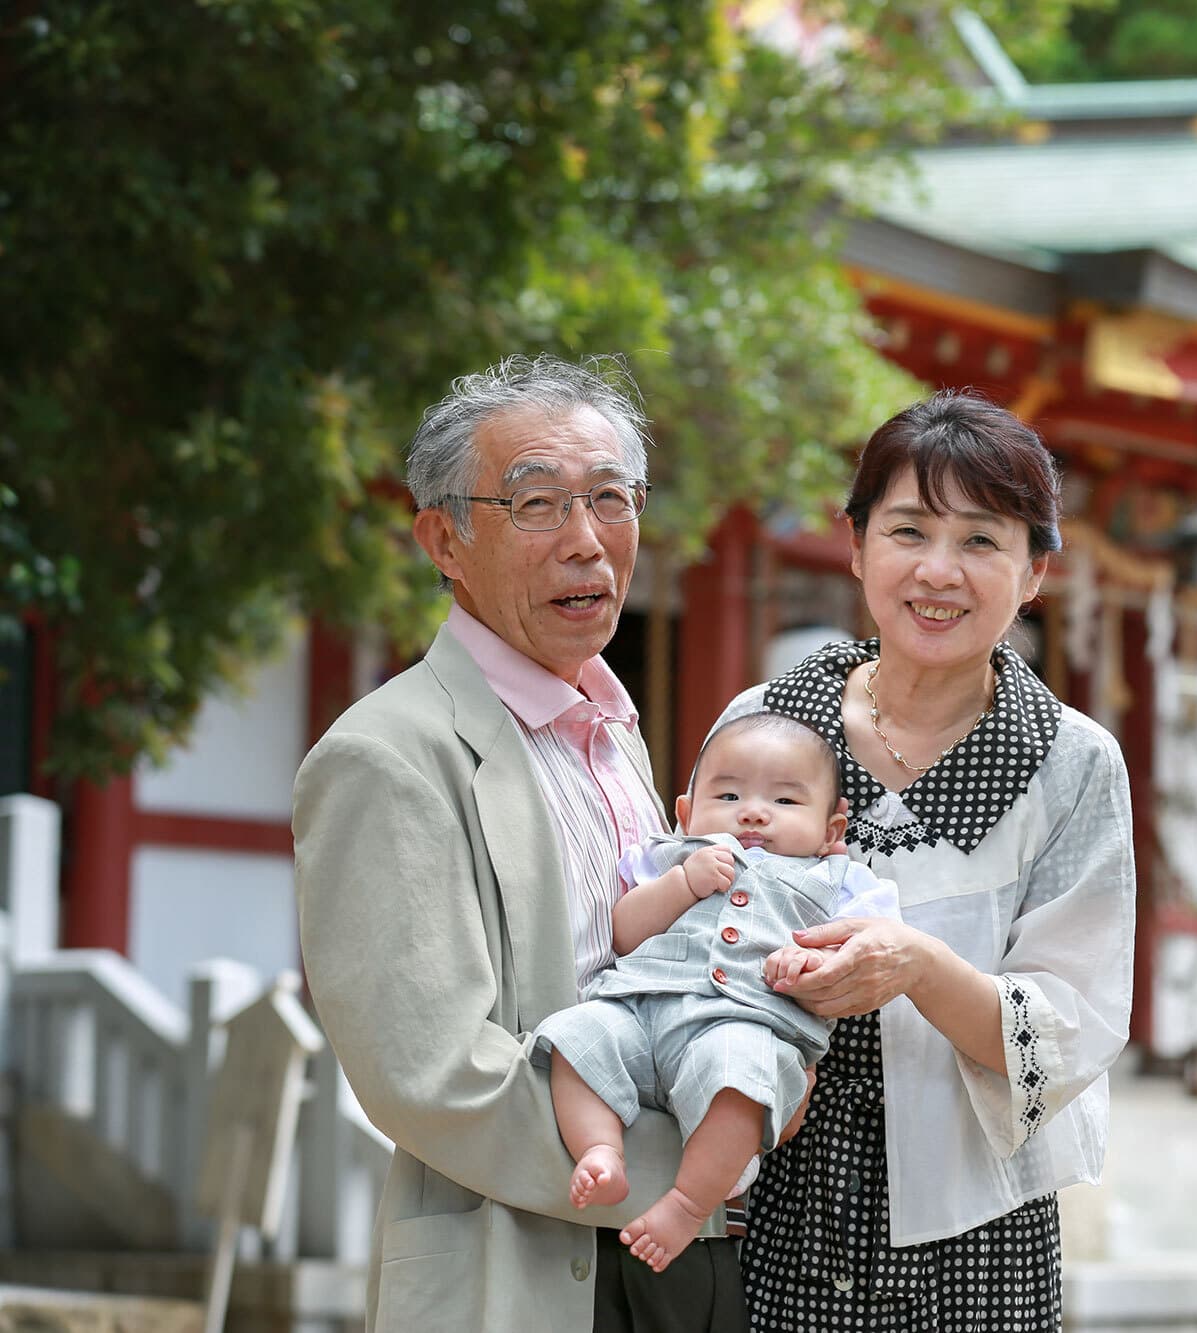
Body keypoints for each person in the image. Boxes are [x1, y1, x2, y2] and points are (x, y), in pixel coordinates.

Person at [293, 355, 748, 1333]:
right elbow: (435, 1071)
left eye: (610, 499)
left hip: (692, 1269)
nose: (586, 541)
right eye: (536, 503)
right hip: (532, 1274)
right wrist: (704, 1167)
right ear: (443, 539)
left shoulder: (613, 731)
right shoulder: (387, 755)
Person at [724, 390, 1137, 1330]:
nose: (938, 571)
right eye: (909, 529)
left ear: (1034, 571)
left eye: (983, 541)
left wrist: (916, 965)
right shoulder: (768, 725)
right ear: (858, 544)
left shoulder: (1070, 762)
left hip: (980, 1227)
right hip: (770, 1189)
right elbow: (691, 924)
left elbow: (1069, 1030)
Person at [537, 711, 900, 1274]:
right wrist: (681, 883)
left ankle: (687, 1204)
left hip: (742, 1022)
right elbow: (624, 932)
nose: (753, 811)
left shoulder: (842, 884)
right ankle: (600, 1149)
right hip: (637, 1008)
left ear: (832, 831)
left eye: (784, 802)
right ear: (686, 813)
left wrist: (814, 961)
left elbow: (869, 959)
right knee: (574, 1037)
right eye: (728, 794)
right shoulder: (670, 858)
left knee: (742, 1078)